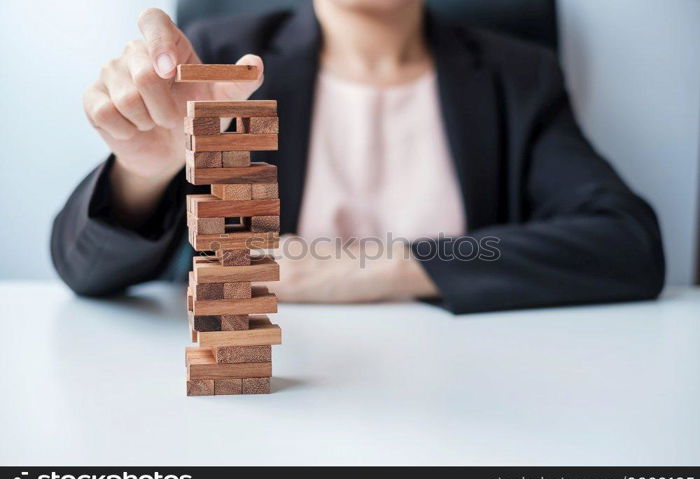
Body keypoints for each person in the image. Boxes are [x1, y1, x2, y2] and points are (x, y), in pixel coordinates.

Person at [51, 0, 665, 313]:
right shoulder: (222, 57)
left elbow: (626, 242)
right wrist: (146, 170)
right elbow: (84, 272)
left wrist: (376, 267)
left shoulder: (517, 76)